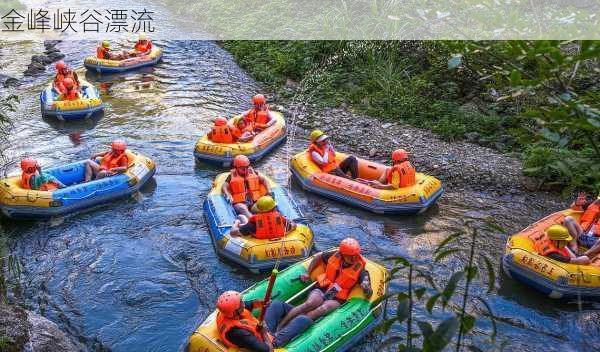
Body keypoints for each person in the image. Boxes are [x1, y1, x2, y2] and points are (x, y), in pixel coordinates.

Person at [276, 238, 372, 331]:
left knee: (321, 309)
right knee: (310, 304)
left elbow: (369, 292)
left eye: (355, 255)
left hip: (337, 298)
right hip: (323, 288)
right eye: (350, 256)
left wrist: (366, 288)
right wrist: (307, 273)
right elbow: (318, 257)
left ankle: (289, 329)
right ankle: (280, 326)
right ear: (343, 254)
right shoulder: (335, 255)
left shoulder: (361, 271)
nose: (354, 258)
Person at [216, 290, 313, 351]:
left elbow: (249, 304)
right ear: (234, 312)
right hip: (269, 341)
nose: (243, 303)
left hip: (260, 328)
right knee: (303, 319)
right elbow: (268, 350)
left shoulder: (229, 312)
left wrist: (262, 303)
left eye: (240, 301)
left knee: (276, 304)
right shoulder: (239, 333)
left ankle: (285, 322)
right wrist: (264, 332)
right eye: (240, 303)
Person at [230, 195, 296, 238]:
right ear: (274, 208)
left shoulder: (253, 225)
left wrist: (236, 223)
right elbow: (294, 225)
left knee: (241, 217)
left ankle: (239, 220)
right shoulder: (280, 219)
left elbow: (232, 233)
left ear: (259, 210)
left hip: (258, 247)